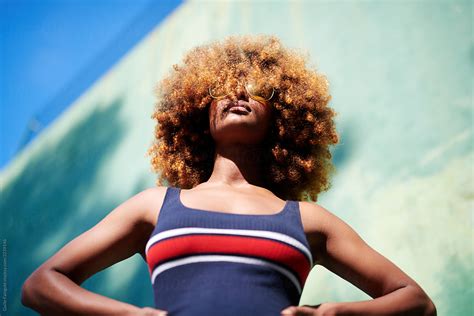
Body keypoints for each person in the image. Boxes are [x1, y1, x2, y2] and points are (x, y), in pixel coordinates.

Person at [21, 35, 436, 316]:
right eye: (221, 88)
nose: (238, 93)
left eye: (260, 90)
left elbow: (415, 302)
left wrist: (333, 313)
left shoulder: (309, 220)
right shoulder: (154, 206)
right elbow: (41, 284)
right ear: (198, 113)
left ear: (285, 119)